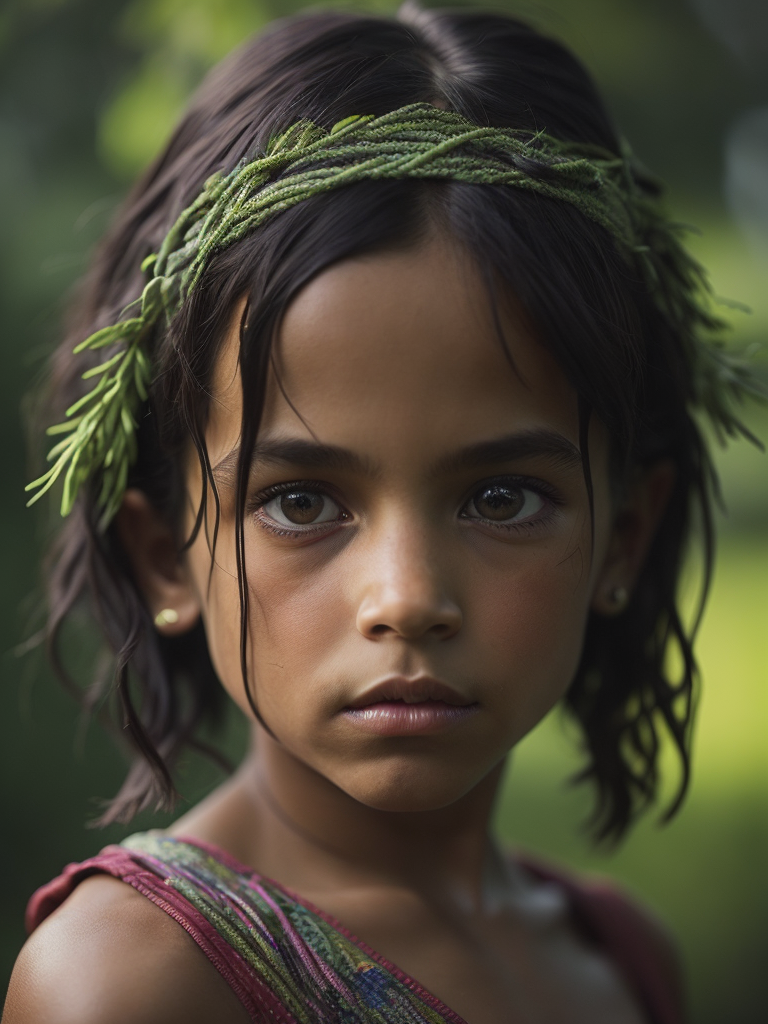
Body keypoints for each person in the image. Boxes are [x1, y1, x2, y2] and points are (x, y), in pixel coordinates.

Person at [3, 4, 764, 1023]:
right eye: (300, 501)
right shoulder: (131, 983)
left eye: (502, 497)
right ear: (164, 558)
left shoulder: (619, 962)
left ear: (621, 534)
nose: (408, 598)